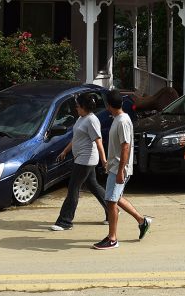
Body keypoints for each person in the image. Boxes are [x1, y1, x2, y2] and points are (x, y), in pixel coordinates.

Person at [92, 90, 152, 250]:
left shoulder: (123, 121)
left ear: (108, 105)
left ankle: (112, 239)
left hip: (120, 169)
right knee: (115, 198)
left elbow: (126, 146)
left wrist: (120, 171)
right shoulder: (118, 119)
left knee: (111, 201)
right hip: (115, 167)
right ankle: (142, 220)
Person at [49, 93, 108, 231]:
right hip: (81, 158)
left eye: (77, 106)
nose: (76, 108)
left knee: (73, 188)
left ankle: (65, 221)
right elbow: (76, 138)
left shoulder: (92, 120)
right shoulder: (81, 118)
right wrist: (65, 151)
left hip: (86, 159)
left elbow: (98, 141)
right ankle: (112, 211)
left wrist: (104, 160)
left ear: (84, 107)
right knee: (93, 185)